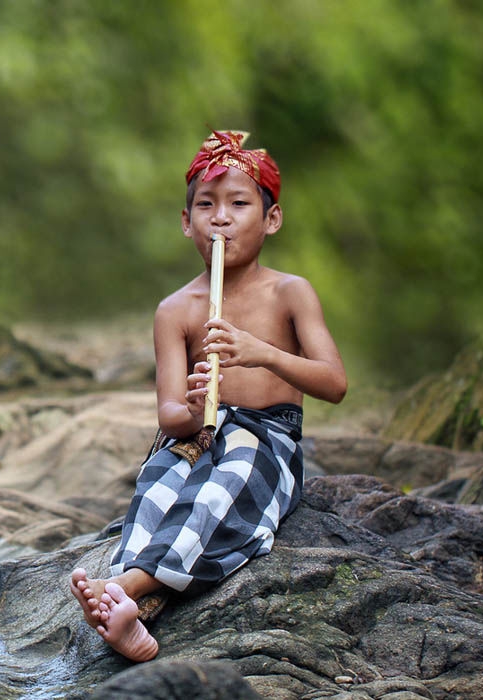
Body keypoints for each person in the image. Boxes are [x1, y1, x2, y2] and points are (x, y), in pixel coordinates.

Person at [70, 130, 347, 662]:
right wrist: (194, 411)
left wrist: (260, 352)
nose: (221, 218)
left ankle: (122, 590)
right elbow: (170, 414)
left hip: (267, 435)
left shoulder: (290, 292)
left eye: (239, 204)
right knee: (156, 488)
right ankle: (133, 613)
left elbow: (333, 383)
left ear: (272, 219)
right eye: (206, 205)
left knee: (226, 489)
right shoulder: (176, 309)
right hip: (197, 436)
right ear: (185, 221)